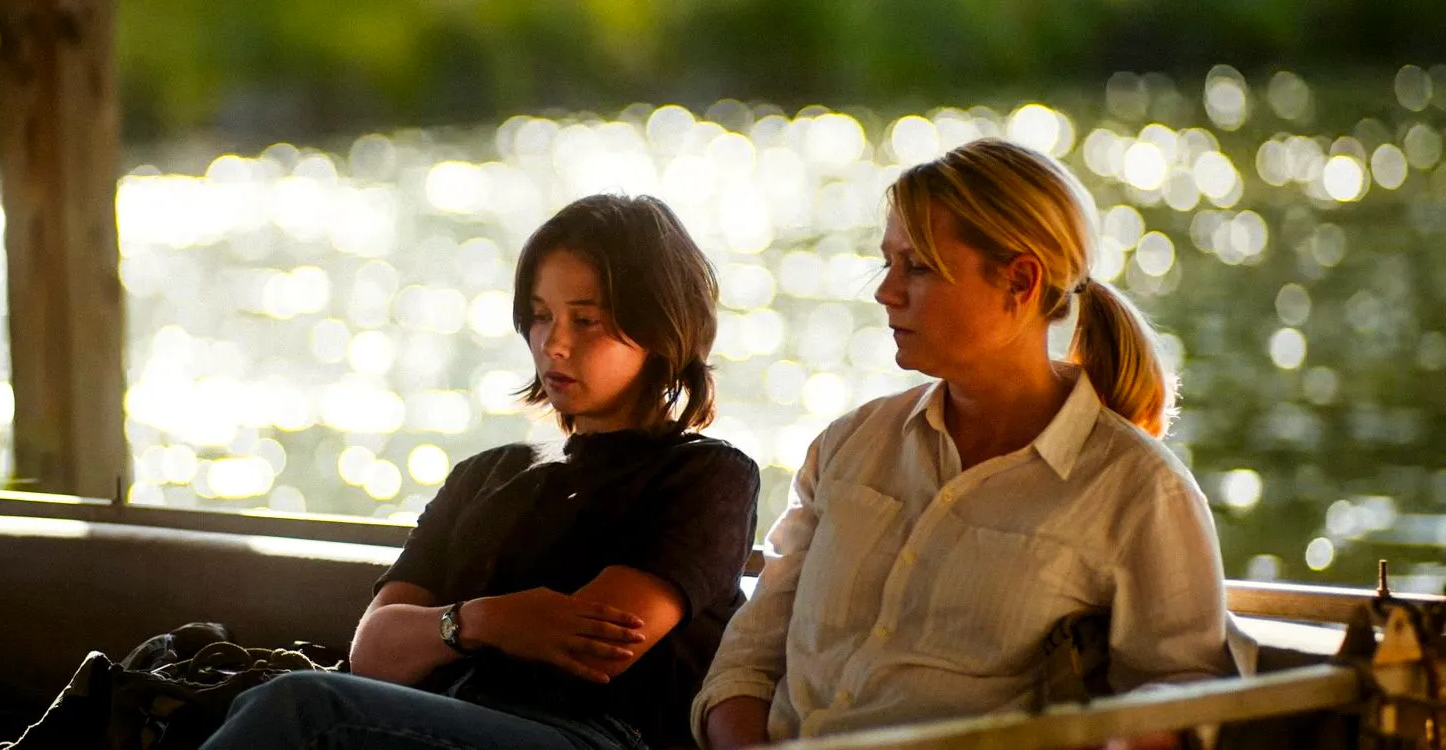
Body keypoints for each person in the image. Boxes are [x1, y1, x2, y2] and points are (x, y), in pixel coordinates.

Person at [693, 139, 1237, 748]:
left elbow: (1179, 694)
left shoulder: (1141, 491)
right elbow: (745, 663)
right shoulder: (847, 446)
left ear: (1020, 281)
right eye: (888, 263)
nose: (885, 292)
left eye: (917, 267)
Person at [203, 194, 760, 750]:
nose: (554, 343)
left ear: (661, 329)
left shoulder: (705, 476)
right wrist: (487, 620)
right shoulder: (485, 475)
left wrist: (440, 634)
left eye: (586, 320)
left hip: (593, 734)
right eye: (540, 317)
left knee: (307, 707)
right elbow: (373, 649)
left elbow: (595, 647)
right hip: (440, 720)